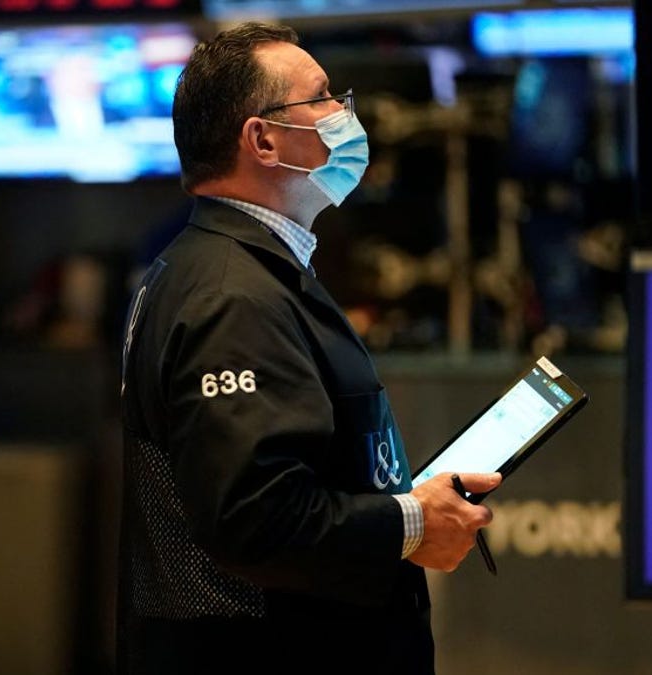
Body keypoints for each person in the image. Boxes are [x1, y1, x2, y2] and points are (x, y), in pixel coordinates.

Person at [118, 22, 500, 675]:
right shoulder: (229, 295)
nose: (344, 115)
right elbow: (257, 519)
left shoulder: (239, 269)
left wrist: (405, 506)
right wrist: (411, 522)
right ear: (262, 139)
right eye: (322, 99)